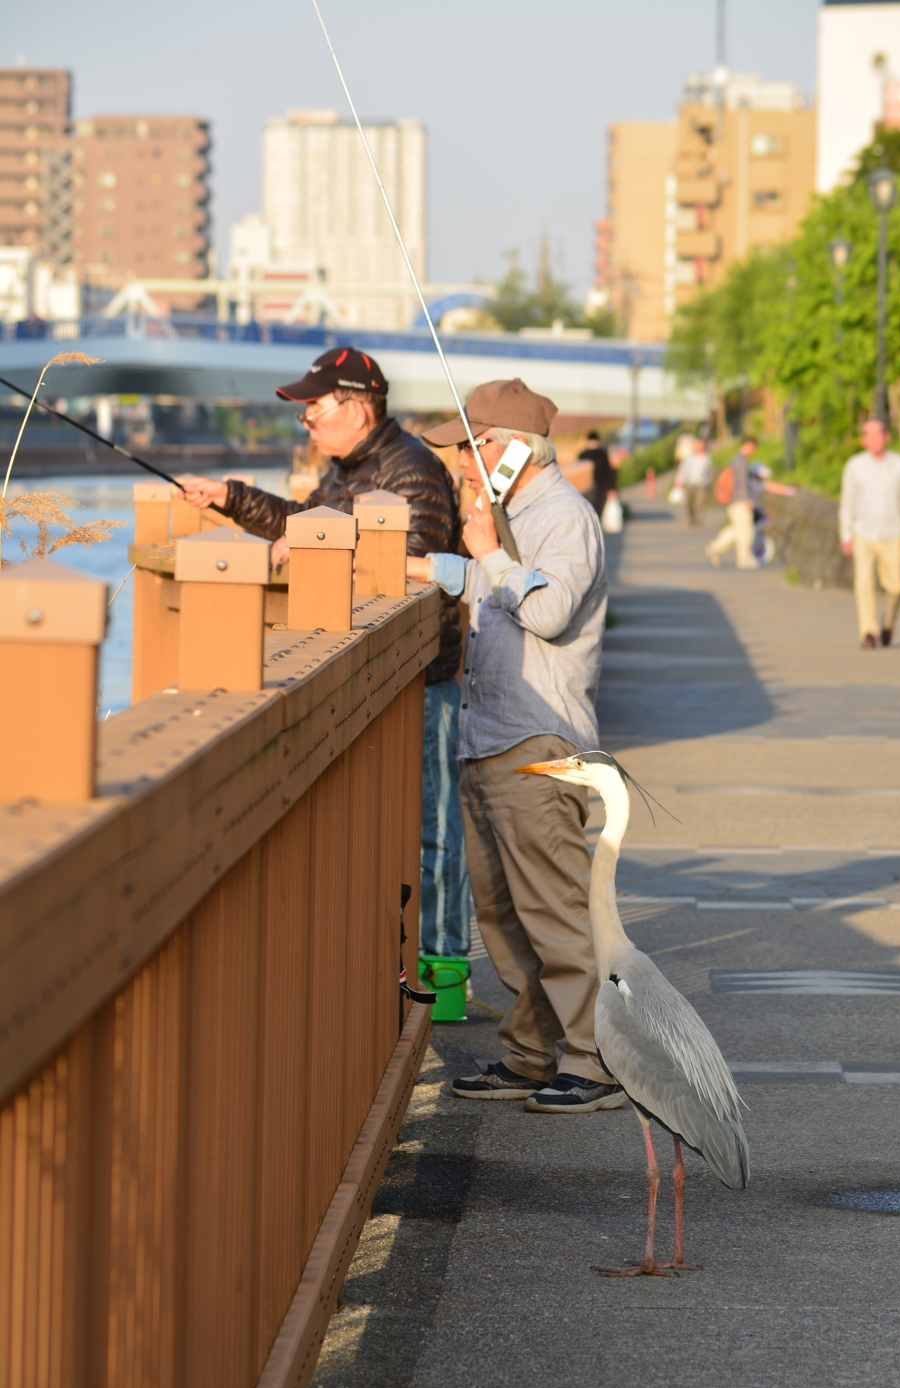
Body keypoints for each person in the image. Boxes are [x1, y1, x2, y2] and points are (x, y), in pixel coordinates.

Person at [177, 346, 471, 963]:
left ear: (358, 407)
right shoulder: (348, 469)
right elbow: (303, 521)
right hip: (377, 668)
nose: (305, 422)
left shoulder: (409, 468)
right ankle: (404, 958)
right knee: (395, 830)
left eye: (313, 408)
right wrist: (227, 495)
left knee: (435, 831)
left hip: (425, 675)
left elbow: (416, 562)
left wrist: (320, 547)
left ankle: (444, 969)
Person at [406, 377, 623, 1114]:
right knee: (501, 914)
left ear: (509, 450)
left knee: (554, 911)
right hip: (490, 734)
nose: (462, 464)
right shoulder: (512, 514)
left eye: (470, 448)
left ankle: (597, 1063)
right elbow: (496, 586)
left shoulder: (565, 516)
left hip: (538, 740)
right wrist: (434, 569)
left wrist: (490, 554)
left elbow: (549, 609)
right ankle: (530, 1054)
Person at [839, 418, 900, 649]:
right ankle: (869, 631)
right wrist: (845, 534)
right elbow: (848, 502)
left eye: (878, 434)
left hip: (894, 532)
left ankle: (888, 623)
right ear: (863, 439)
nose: (874, 439)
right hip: (863, 532)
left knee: (896, 585)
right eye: (869, 435)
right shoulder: (854, 465)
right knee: (863, 582)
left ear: (887, 436)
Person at [706, 435, 792, 567]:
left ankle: (714, 548)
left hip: (734, 501)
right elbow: (741, 484)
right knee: (746, 531)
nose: (753, 450)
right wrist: (747, 500)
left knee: (736, 529)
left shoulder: (736, 460)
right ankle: (743, 559)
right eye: (753, 447)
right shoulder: (741, 461)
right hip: (740, 501)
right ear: (748, 445)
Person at [672, 436, 713, 527]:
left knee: (699, 503)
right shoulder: (689, 457)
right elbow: (682, 470)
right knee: (689, 503)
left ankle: (697, 521)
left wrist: (709, 483)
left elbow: (709, 472)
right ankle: (691, 519)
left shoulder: (707, 457)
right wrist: (678, 481)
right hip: (689, 483)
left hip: (701, 484)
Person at [577, 429, 616, 520]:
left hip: (585, 488)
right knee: (597, 511)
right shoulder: (602, 454)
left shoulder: (582, 454)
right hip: (599, 486)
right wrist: (611, 488)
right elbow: (608, 472)